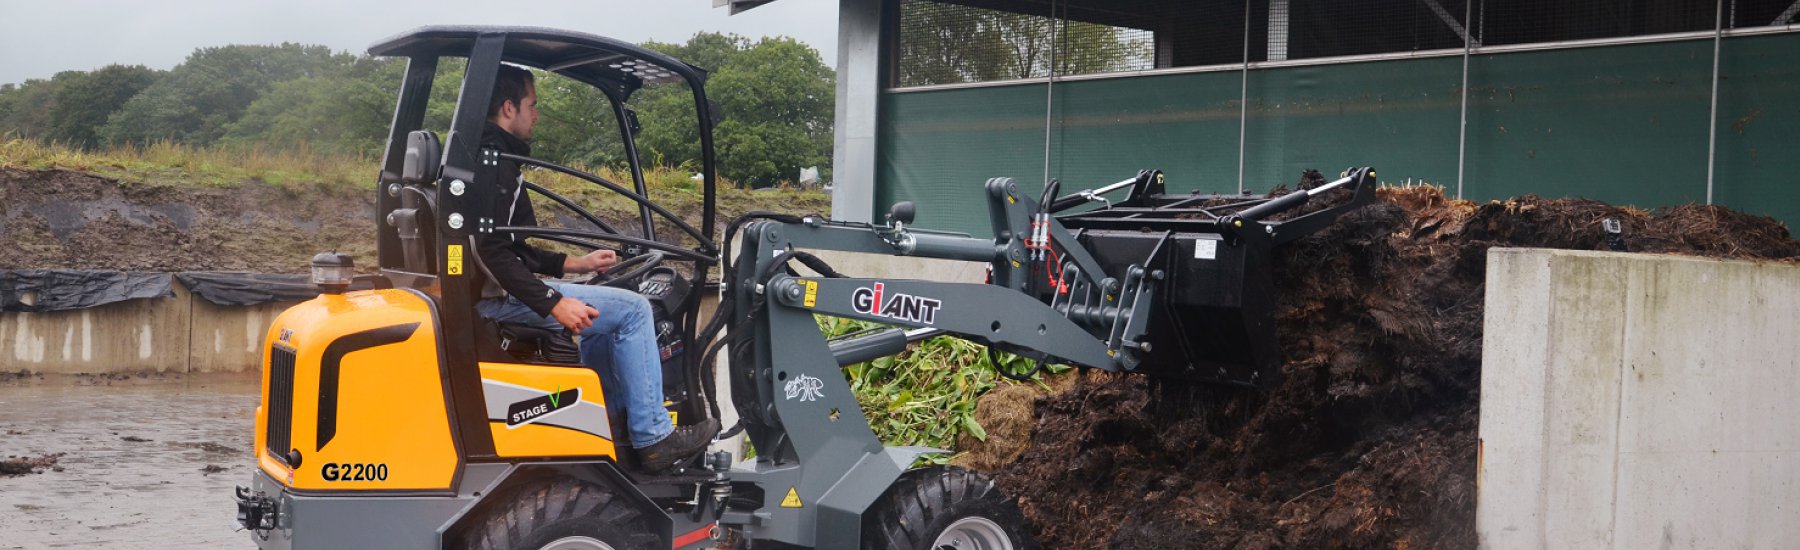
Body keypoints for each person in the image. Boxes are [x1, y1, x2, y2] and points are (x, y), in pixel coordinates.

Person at [472, 64, 717, 471]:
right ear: (509, 107)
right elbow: (493, 251)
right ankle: (654, 435)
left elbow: (512, 246)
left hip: (490, 294)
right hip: (494, 301)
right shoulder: (494, 168)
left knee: (609, 313)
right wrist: (553, 302)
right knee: (635, 310)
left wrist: (575, 264)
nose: (537, 115)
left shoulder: (485, 162)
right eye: (532, 106)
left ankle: (613, 425)